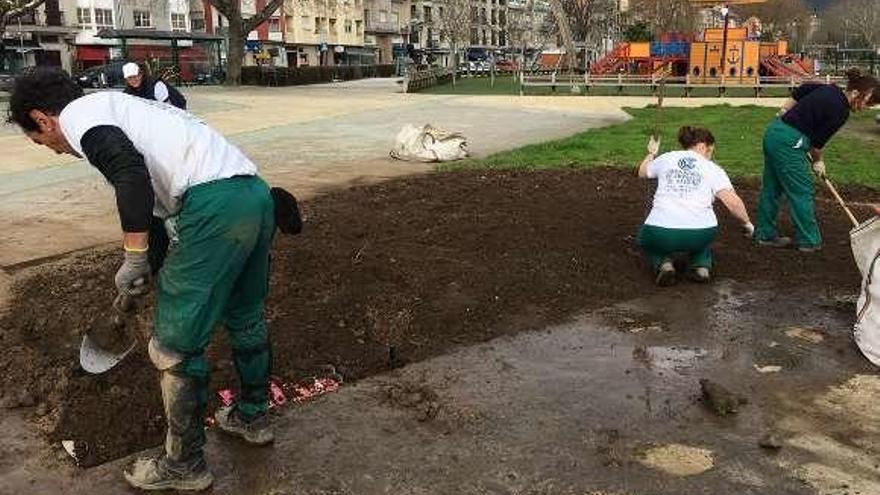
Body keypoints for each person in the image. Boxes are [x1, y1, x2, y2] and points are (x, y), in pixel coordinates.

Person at [7, 67, 273, 491]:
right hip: (253, 195)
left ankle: (185, 464)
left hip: (213, 208)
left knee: (173, 346)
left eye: (42, 142)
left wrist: (132, 257)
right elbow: (153, 203)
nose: (54, 150)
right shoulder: (123, 107)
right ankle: (253, 416)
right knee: (245, 314)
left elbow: (130, 176)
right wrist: (148, 262)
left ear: (43, 119)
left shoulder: (79, 117)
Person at [755, 69, 878, 251]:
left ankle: (764, 234)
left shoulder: (830, 89)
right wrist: (817, 162)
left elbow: (802, 89)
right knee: (802, 190)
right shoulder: (840, 111)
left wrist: (785, 109)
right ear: (856, 93)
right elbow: (816, 145)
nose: (865, 108)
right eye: (868, 102)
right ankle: (809, 241)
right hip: (790, 143)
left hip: (774, 133)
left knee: (772, 187)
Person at [637, 126, 754, 287]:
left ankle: (664, 264)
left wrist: (651, 153)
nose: (710, 156)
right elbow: (732, 202)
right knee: (703, 242)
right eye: (710, 151)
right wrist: (747, 224)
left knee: (646, 239)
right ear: (702, 146)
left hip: (660, 230)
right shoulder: (713, 169)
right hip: (701, 233)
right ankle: (701, 267)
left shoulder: (667, 158)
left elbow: (642, 172)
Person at [123, 62, 187, 110]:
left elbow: (167, 108)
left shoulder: (156, 85)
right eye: (130, 78)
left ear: (141, 74)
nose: (133, 80)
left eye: (135, 76)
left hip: (176, 107)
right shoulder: (127, 92)